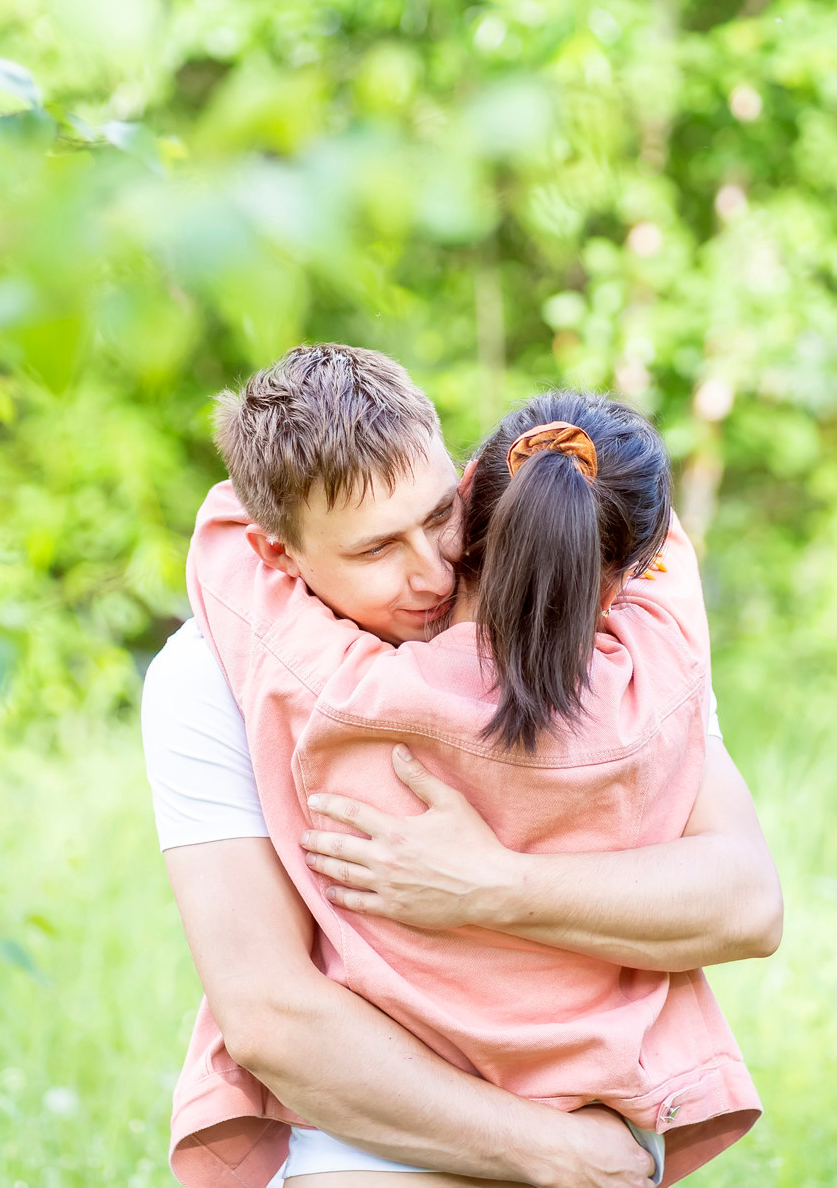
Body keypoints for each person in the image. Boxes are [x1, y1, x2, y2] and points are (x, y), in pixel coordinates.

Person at [143, 345, 782, 1188]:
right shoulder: (208, 674)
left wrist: (491, 885)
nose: (436, 569)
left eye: (442, 512)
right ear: (276, 555)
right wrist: (548, 1153)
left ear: (471, 476)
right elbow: (269, 1011)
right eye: (377, 551)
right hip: (375, 1120)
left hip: (594, 1102)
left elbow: (746, 900)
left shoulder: (576, 618)